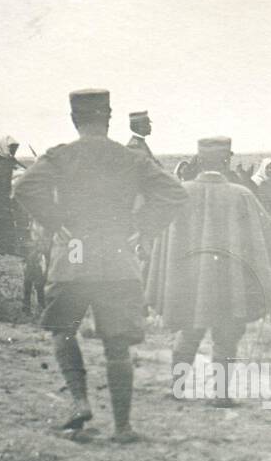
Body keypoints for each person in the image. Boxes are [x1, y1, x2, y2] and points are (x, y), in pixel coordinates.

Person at [14, 88, 187, 442]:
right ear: (107, 119)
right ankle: (123, 427)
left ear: (75, 120)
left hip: (72, 258)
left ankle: (80, 403)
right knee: (117, 346)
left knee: (64, 331)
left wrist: (55, 220)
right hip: (117, 258)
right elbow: (174, 193)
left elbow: (25, 187)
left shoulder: (61, 157)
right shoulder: (131, 159)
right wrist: (143, 230)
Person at [145, 136, 271, 407]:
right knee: (227, 336)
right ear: (226, 160)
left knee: (188, 332)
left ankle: (178, 389)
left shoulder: (180, 192)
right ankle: (221, 395)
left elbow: (160, 233)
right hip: (230, 281)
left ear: (199, 160)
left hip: (189, 280)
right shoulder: (241, 194)